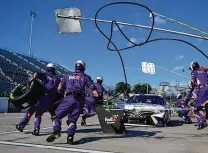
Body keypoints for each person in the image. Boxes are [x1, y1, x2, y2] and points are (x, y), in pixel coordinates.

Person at [46, 60, 99, 144]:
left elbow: (60, 87)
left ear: (76, 66)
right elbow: (94, 91)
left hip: (68, 98)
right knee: (72, 120)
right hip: (79, 101)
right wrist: (96, 96)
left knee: (56, 116)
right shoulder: (86, 77)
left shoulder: (67, 75)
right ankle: (70, 137)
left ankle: (56, 131)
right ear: (83, 67)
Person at [16, 63, 60, 135]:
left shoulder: (45, 74)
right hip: (50, 100)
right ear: (54, 69)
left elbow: (36, 74)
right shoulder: (57, 78)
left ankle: (22, 126)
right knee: (46, 114)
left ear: (47, 68)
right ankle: (52, 128)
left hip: (42, 97)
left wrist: (33, 80)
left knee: (31, 111)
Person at [186, 62, 208, 130]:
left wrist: (188, 97)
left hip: (203, 89)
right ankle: (200, 121)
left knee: (198, 107)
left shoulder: (194, 72)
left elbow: (192, 83)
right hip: (204, 89)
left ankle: (202, 120)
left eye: (191, 68)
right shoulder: (204, 71)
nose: (190, 70)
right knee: (197, 107)